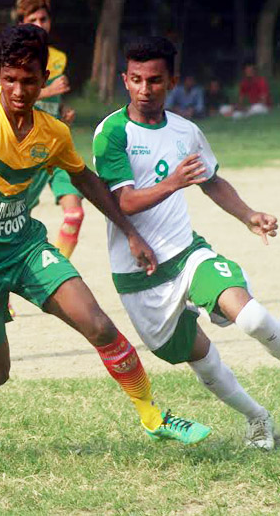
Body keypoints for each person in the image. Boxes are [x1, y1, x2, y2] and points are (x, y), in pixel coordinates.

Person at [0, 24, 210, 463]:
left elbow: (86, 180)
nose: (19, 90)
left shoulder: (52, 134)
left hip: (25, 250)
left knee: (99, 325)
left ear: (43, 79)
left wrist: (130, 231)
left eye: (29, 80)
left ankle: (153, 416)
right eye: (10, 79)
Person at [93, 36, 279, 449]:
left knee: (252, 319)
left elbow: (211, 180)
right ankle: (258, 418)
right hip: (139, 277)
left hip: (188, 254)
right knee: (201, 360)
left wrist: (248, 214)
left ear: (171, 81)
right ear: (125, 79)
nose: (145, 89)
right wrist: (173, 182)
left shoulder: (185, 131)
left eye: (155, 80)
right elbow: (122, 201)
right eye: (137, 79)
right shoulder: (111, 132)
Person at [11, 0, 83, 262]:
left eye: (44, 19)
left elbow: (54, 101)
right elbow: (4, 98)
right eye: (33, 19)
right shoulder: (15, 56)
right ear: (22, 24)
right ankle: (0, 292)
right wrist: (48, 89)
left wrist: (63, 112)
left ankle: (57, 271)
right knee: (12, 223)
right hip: (28, 146)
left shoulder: (59, 58)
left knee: (74, 213)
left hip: (58, 143)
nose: (40, 24)